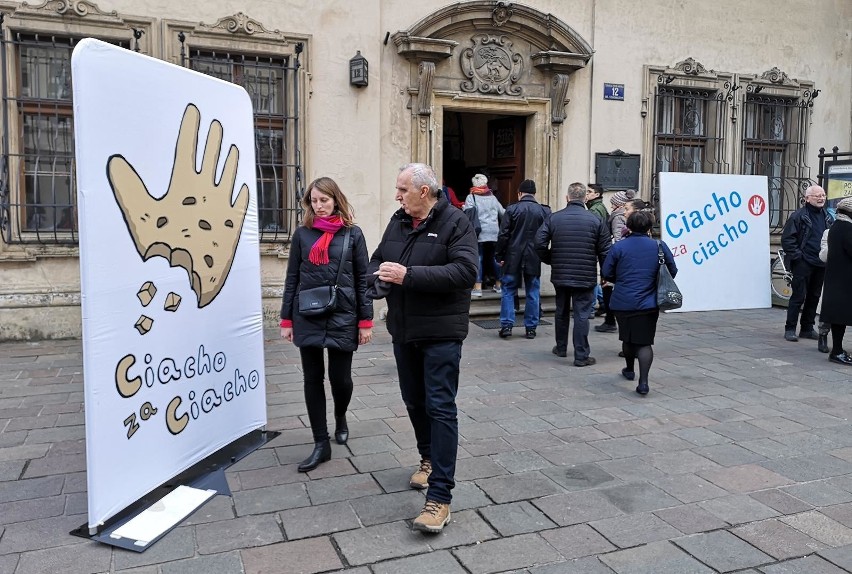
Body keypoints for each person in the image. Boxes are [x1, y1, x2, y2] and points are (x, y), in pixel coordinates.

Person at [368, 163, 478, 533]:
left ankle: (440, 499)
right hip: (404, 329)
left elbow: (465, 273)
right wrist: (377, 279)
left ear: (424, 192)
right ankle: (428, 459)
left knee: (440, 407)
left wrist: (408, 276)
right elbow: (378, 258)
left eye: (402, 189)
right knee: (414, 401)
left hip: (442, 332)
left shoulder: (456, 223)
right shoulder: (398, 220)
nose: (396, 195)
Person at [280, 177, 373, 472]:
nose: (319, 206)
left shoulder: (353, 234)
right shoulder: (302, 235)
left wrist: (365, 320)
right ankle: (321, 443)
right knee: (312, 378)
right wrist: (285, 318)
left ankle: (341, 415)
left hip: (343, 312)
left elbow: (363, 280)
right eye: (314, 201)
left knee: (340, 379)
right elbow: (292, 277)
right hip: (307, 313)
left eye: (324, 200)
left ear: (336, 200)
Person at [535, 182, 612, 366]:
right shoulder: (595, 220)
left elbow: (538, 242)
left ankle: (561, 347)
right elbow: (605, 251)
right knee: (582, 314)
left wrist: (550, 258)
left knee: (561, 311)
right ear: (585, 197)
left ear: (567, 197)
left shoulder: (555, 218)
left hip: (561, 272)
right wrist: (606, 275)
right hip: (585, 275)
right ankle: (581, 355)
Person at [602, 210, 677, 395]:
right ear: (649, 227)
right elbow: (672, 271)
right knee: (644, 342)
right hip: (649, 302)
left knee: (627, 337)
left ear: (629, 226)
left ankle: (629, 369)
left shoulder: (619, 247)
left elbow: (606, 272)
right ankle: (643, 382)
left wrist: (621, 278)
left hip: (622, 301)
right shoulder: (659, 246)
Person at [495, 179, 551, 339]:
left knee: (508, 290)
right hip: (534, 256)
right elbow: (546, 236)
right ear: (534, 194)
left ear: (520, 193)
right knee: (533, 291)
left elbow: (503, 234)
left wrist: (499, 254)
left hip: (512, 256)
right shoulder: (544, 211)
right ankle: (531, 328)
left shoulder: (512, 209)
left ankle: (506, 326)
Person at [780, 185, 834, 342]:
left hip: (820, 262)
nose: (821, 198)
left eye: (823, 195)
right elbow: (787, 239)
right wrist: (798, 257)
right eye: (817, 195)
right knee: (798, 296)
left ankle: (807, 328)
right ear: (807, 198)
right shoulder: (798, 216)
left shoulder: (827, 216)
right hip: (803, 262)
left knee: (814, 296)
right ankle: (790, 329)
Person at [816, 196, 852, 365]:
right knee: (840, 318)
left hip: (838, 280)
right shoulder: (846, 228)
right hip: (844, 281)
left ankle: (838, 350)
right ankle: (837, 352)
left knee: (839, 318)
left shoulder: (837, 226)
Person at [596, 188, 636, 334]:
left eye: (613, 204)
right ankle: (610, 319)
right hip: (613, 257)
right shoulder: (619, 215)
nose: (611, 206)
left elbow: (619, 239)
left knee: (608, 288)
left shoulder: (618, 217)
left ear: (619, 205)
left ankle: (610, 320)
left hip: (611, 257)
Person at [465, 173, 505, 296]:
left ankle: (478, 288)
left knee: (479, 258)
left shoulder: (471, 197)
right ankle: (499, 285)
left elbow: (467, 215)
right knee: (494, 258)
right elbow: (503, 213)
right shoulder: (493, 197)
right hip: (494, 232)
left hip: (479, 232)